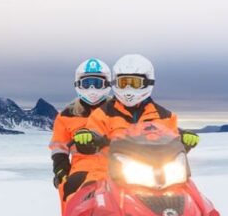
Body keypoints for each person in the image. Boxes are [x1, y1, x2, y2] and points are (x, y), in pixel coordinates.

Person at [74, 54, 199, 184]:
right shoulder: (102, 114)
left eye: (134, 83)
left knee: (190, 195)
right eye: (123, 83)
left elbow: (174, 145)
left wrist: (184, 139)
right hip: (111, 176)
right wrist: (87, 138)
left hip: (159, 174)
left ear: (147, 82)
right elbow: (92, 135)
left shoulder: (165, 116)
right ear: (115, 83)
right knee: (87, 196)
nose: (128, 89)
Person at [49, 58, 113, 202]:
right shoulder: (67, 115)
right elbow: (59, 147)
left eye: (97, 83)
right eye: (87, 83)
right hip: (80, 171)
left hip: (117, 170)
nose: (92, 89)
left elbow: (134, 133)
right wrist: (61, 169)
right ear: (78, 84)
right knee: (68, 192)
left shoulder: (118, 112)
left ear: (107, 83)